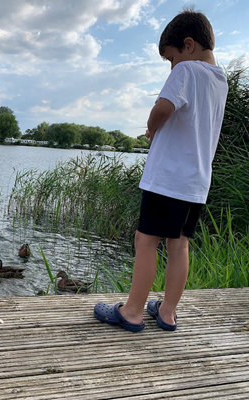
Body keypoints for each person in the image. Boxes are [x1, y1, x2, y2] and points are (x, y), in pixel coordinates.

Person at [94, 10, 228, 332]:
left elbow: (164, 107)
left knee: (145, 240)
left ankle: (133, 311)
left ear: (188, 45)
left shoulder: (187, 71)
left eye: (170, 58)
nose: (171, 66)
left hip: (168, 178)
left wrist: (152, 128)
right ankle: (167, 313)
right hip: (196, 182)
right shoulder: (220, 79)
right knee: (179, 245)